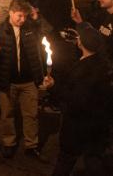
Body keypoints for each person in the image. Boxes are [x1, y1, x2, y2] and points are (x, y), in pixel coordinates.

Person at [42, 23, 113, 176]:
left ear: (83, 43)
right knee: (94, 160)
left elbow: (75, 99)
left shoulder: (84, 71)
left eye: (79, 37)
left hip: (78, 127)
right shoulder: (101, 64)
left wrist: (53, 87)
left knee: (66, 160)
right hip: (98, 128)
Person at [0, 0, 46, 158]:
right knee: (7, 115)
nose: (22, 19)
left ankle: (31, 145)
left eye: (24, 16)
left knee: (31, 115)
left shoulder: (30, 28)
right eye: (19, 16)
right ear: (11, 13)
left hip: (29, 81)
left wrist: (36, 18)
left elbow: (43, 39)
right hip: (7, 81)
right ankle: (9, 143)